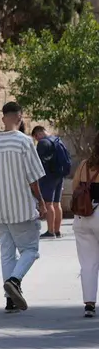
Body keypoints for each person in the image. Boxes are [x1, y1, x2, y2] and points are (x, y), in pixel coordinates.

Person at [0, 102, 47, 313]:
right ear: (20, 118)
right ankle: (14, 281)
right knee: (30, 250)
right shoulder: (24, 143)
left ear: (3, 118)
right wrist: (41, 202)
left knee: (6, 253)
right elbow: (34, 179)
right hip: (21, 208)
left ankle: (10, 299)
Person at [72, 134, 99, 318]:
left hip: (82, 217)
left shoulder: (83, 165)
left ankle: (89, 304)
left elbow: (75, 188)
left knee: (87, 263)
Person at [32, 125, 71, 239]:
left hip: (49, 177)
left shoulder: (43, 143)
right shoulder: (57, 140)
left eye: (36, 138)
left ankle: (50, 231)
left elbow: (39, 162)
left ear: (38, 134)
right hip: (60, 175)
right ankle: (57, 230)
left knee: (48, 203)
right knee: (57, 203)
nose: (37, 140)